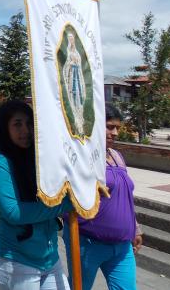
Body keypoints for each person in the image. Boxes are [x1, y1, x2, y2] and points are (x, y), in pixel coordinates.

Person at [0, 100, 73, 290]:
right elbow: (14, 212)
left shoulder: (39, 158)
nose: (25, 130)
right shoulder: (0, 163)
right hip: (17, 262)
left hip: (50, 258)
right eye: (17, 124)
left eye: (29, 123)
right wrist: (63, 205)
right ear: (4, 128)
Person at [62, 103, 142, 290]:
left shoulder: (117, 156)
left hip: (122, 246)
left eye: (118, 128)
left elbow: (126, 197)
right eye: (109, 126)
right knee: (79, 287)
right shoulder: (80, 156)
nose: (114, 133)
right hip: (88, 242)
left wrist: (136, 228)